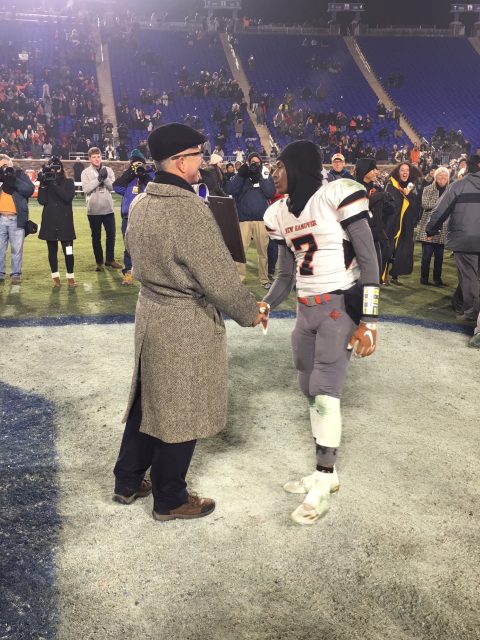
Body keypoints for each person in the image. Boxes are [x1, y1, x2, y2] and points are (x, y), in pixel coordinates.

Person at [112, 123, 267, 522]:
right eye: (198, 155)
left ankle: (127, 480)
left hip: (150, 311)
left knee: (149, 399)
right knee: (183, 407)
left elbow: (133, 251)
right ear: (181, 161)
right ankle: (170, 498)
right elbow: (218, 279)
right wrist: (250, 311)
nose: (203, 161)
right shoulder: (189, 210)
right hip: (184, 319)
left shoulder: (142, 202)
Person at [262, 140, 379, 525]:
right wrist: (266, 303)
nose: (274, 172)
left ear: (296, 166)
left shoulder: (335, 195)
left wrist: (370, 319)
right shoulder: (279, 212)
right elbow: (284, 275)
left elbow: (369, 259)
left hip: (336, 306)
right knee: (308, 387)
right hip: (305, 309)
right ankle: (325, 472)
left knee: (326, 389)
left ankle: (324, 479)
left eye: (279, 166)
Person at [427, 154, 480, 324]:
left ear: (468, 167)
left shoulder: (459, 185)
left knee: (469, 277)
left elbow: (440, 210)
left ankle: (472, 313)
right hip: (467, 239)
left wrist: (431, 229)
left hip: (465, 239)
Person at [226, 152, 275, 288]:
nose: (255, 165)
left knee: (263, 252)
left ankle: (264, 279)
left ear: (261, 163)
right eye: (252, 162)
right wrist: (240, 175)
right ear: (248, 163)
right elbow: (231, 190)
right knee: (241, 252)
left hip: (261, 219)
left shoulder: (265, 174)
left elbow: (270, 193)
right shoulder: (242, 175)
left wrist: (261, 177)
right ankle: (239, 280)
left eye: (257, 162)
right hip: (244, 219)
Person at [113, 149, 155, 285]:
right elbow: (116, 187)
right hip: (128, 217)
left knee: (148, 245)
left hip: (145, 216)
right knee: (128, 246)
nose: (137, 165)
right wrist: (131, 172)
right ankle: (128, 273)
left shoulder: (150, 173)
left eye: (139, 163)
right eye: (134, 163)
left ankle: (149, 274)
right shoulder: (129, 177)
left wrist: (143, 175)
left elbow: (154, 187)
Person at [37, 157, 76, 287]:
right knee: (52, 251)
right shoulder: (46, 184)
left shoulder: (69, 182)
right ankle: (55, 277)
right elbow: (42, 201)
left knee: (69, 251)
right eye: (52, 168)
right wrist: (43, 184)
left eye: (57, 167)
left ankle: (70, 277)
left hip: (65, 223)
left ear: (61, 168)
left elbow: (67, 198)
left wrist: (54, 184)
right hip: (50, 222)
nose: (55, 170)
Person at [81, 147, 122, 272]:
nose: (97, 159)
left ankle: (110, 259)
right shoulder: (85, 172)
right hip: (94, 210)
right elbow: (86, 189)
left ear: (101, 157)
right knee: (96, 237)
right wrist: (99, 179)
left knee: (111, 235)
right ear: (89, 159)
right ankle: (99, 262)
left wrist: (105, 178)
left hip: (108, 208)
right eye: (94, 157)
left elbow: (113, 187)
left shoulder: (108, 170)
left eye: (98, 156)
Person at [355, 157, 395, 278]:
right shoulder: (354, 188)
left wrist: (387, 201)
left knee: (380, 261)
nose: (376, 172)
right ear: (364, 170)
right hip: (360, 234)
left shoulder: (377, 188)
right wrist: (375, 198)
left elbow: (390, 210)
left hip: (377, 232)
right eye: (373, 169)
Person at [383, 162, 422, 285]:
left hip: (405, 225)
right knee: (388, 249)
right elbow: (388, 205)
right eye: (402, 170)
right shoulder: (391, 185)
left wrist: (408, 195)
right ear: (398, 172)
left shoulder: (412, 187)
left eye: (407, 170)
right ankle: (383, 276)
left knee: (401, 250)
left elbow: (416, 206)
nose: (405, 172)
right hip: (392, 224)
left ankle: (395, 276)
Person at [0, 154, 35, 286]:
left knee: (16, 249)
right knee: (0, 249)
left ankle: (15, 274)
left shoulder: (19, 174)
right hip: (1, 218)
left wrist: (13, 180)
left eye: (6, 165)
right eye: (1, 166)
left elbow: (29, 190)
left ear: (11, 164)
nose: (4, 168)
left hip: (16, 218)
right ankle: (0, 274)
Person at [416, 166, 449, 286]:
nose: (443, 177)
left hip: (443, 227)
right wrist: (442, 204)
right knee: (426, 256)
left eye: (445, 175)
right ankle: (424, 278)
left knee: (439, 257)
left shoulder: (450, 190)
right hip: (428, 227)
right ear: (435, 177)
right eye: (440, 175)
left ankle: (437, 279)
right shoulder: (428, 189)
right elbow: (425, 204)